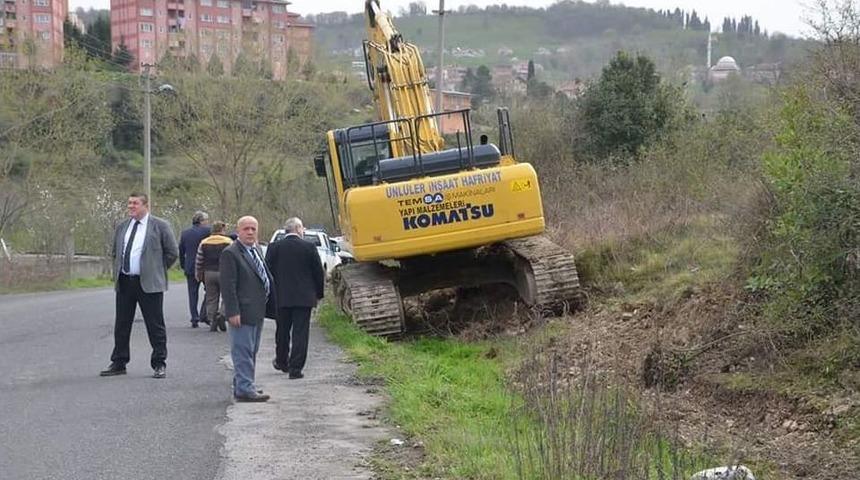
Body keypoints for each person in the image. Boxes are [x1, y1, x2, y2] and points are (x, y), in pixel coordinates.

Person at [100, 193, 178, 379]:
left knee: (155, 324)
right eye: (129, 203)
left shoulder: (160, 226)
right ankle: (119, 361)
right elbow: (115, 252)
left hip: (149, 283)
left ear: (145, 205)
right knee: (122, 323)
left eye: (135, 203)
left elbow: (172, 252)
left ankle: (159, 363)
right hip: (125, 281)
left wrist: (156, 270)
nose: (131, 206)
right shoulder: (122, 226)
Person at [220, 216, 275, 402]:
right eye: (246, 229)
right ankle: (245, 389)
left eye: (253, 228)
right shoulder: (231, 253)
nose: (250, 232)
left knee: (251, 351)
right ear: (238, 231)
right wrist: (232, 311)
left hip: (257, 310)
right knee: (242, 351)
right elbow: (228, 285)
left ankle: (244, 385)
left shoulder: (256, 249)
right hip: (241, 312)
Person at [265, 217, 324, 380]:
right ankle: (295, 368)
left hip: (281, 295)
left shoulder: (274, 247)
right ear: (298, 229)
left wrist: (269, 294)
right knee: (300, 332)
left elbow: (267, 272)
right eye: (302, 228)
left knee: (282, 331)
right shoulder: (309, 247)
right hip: (304, 297)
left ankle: (282, 361)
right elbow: (318, 273)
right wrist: (318, 294)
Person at [195, 221, 232, 332]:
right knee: (227, 297)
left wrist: (198, 274)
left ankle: (212, 319)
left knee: (211, 298)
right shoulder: (229, 242)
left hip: (209, 272)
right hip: (224, 272)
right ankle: (222, 314)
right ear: (222, 230)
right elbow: (233, 259)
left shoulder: (204, 242)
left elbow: (199, 260)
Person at [179, 211, 211, 328]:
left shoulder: (185, 233)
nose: (208, 222)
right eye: (206, 220)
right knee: (211, 291)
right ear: (202, 221)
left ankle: (194, 318)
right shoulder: (208, 231)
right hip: (205, 266)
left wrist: (183, 265)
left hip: (190, 266)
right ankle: (205, 313)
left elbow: (181, 251)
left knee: (192, 293)